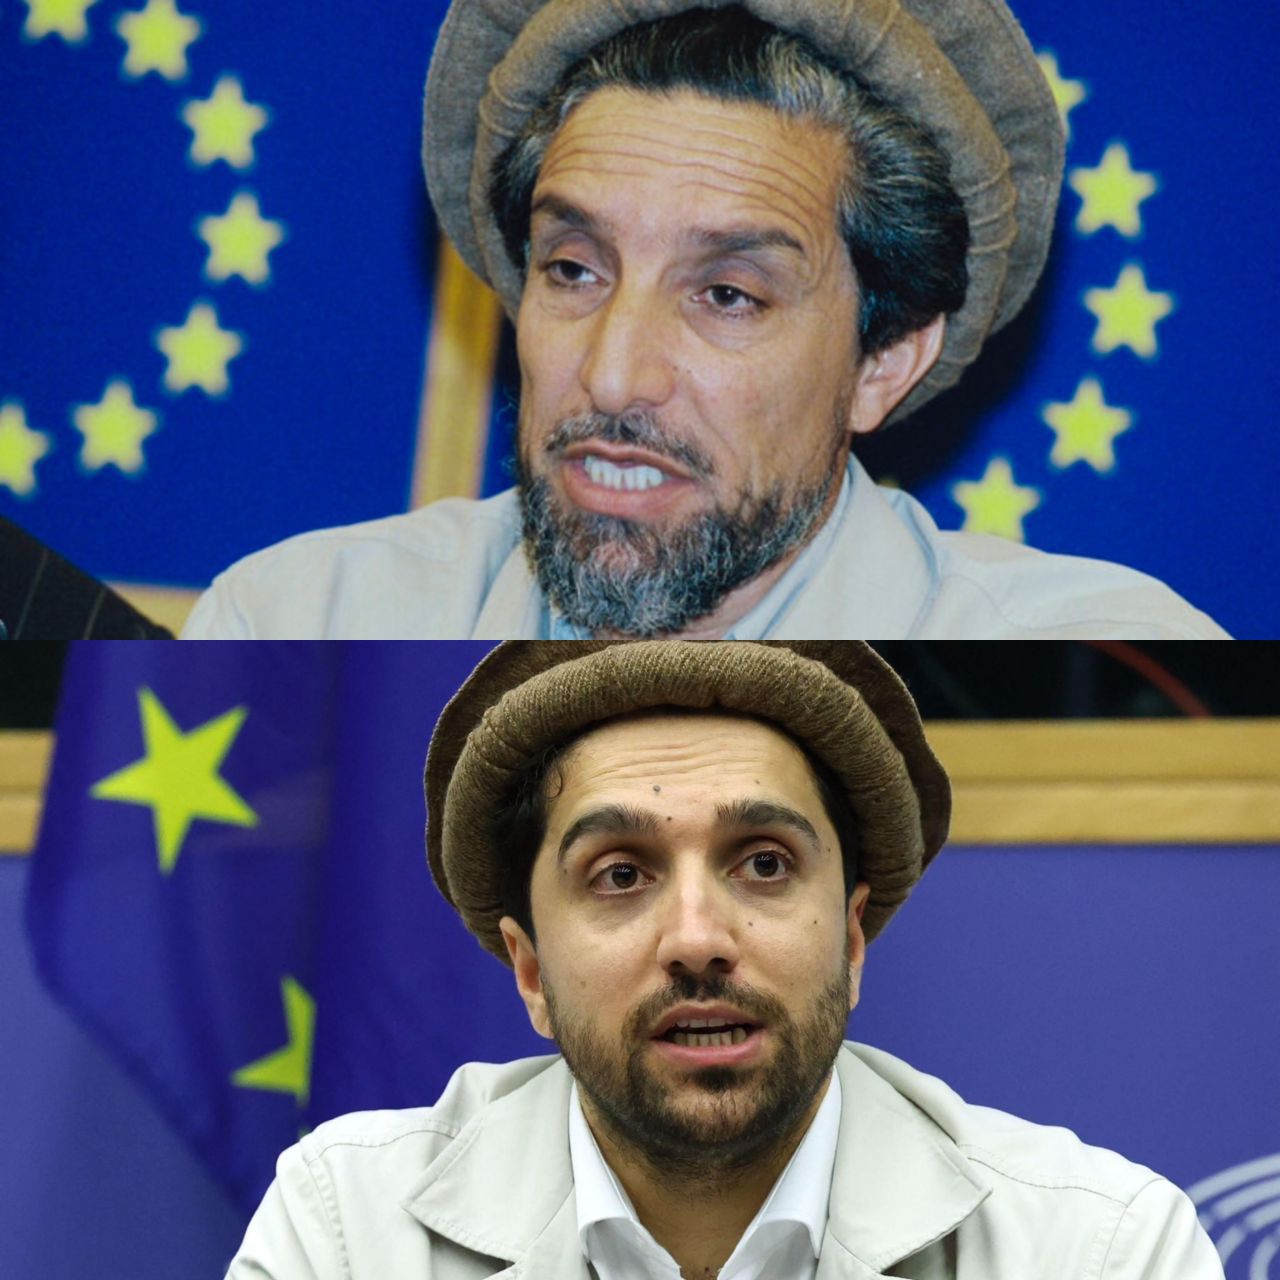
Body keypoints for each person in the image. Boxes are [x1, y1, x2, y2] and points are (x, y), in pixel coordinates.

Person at [184, 2, 1228, 640]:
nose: (611, 375)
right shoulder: (295, 624)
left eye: (725, 294)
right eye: (574, 269)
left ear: (883, 359)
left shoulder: (1098, 674)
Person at [227, 640, 1225, 1279]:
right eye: (620, 873)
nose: (698, 937)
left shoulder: (1102, 1247)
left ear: (847, 935)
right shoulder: (349, 1229)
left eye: (761, 861)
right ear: (529, 970)